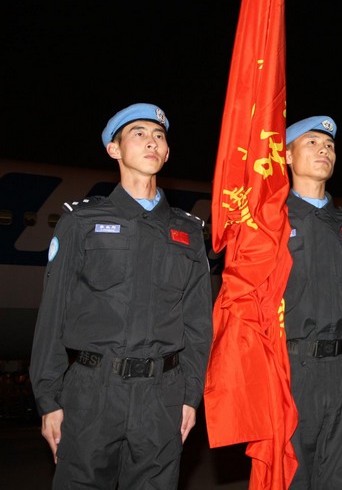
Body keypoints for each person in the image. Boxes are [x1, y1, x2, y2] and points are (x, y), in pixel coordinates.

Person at [29, 103, 213, 488]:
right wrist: (49, 399)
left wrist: (189, 397)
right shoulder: (82, 221)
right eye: (140, 134)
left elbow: (198, 324)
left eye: (159, 136)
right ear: (114, 150)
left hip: (162, 395)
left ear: (167, 152)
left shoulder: (189, 232)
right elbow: (53, 314)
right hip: (92, 391)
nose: (152, 142)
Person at [282, 115, 342, 489]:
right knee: (291, 478)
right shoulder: (269, 219)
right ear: (287, 156)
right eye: (311, 143)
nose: (324, 149)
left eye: (330, 146)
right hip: (292, 371)